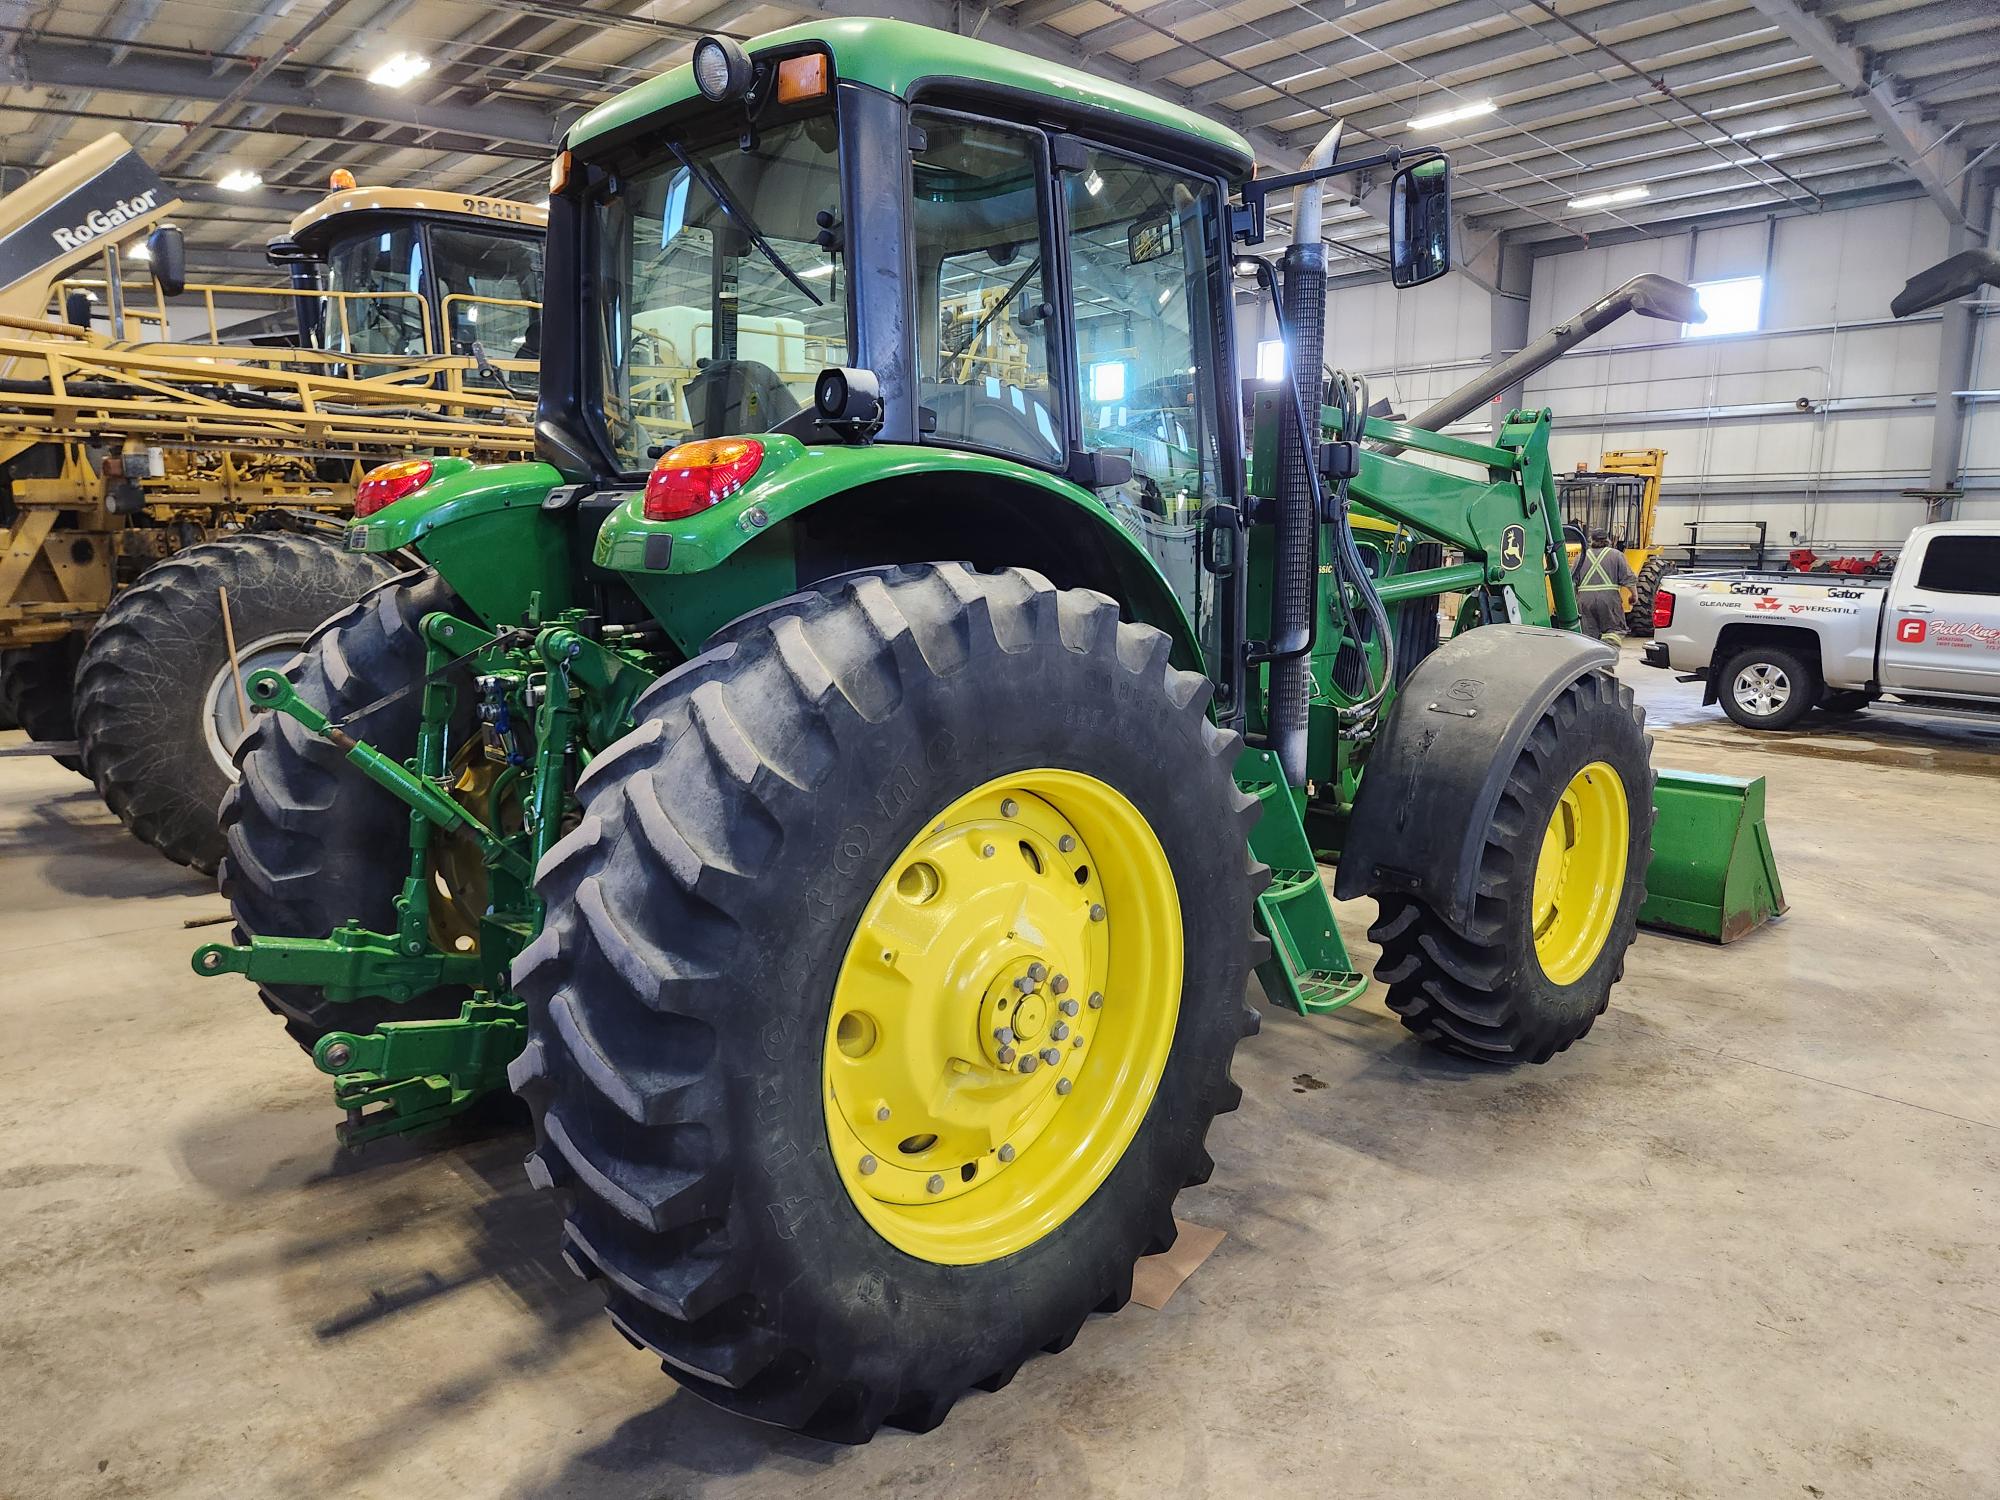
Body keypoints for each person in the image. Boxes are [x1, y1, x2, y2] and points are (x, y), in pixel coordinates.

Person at [1576, 528, 1637, 642]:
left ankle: (1593, 656)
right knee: (1613, 631)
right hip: (1609, 599)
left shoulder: (1580, 557)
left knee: (1589, 634)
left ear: (1591, 540)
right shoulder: (1617, 555)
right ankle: (1609, 652)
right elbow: (1628, 577)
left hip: (1585, 600)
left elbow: (1573, 580)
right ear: (1607, 540)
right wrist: (1634, 595)